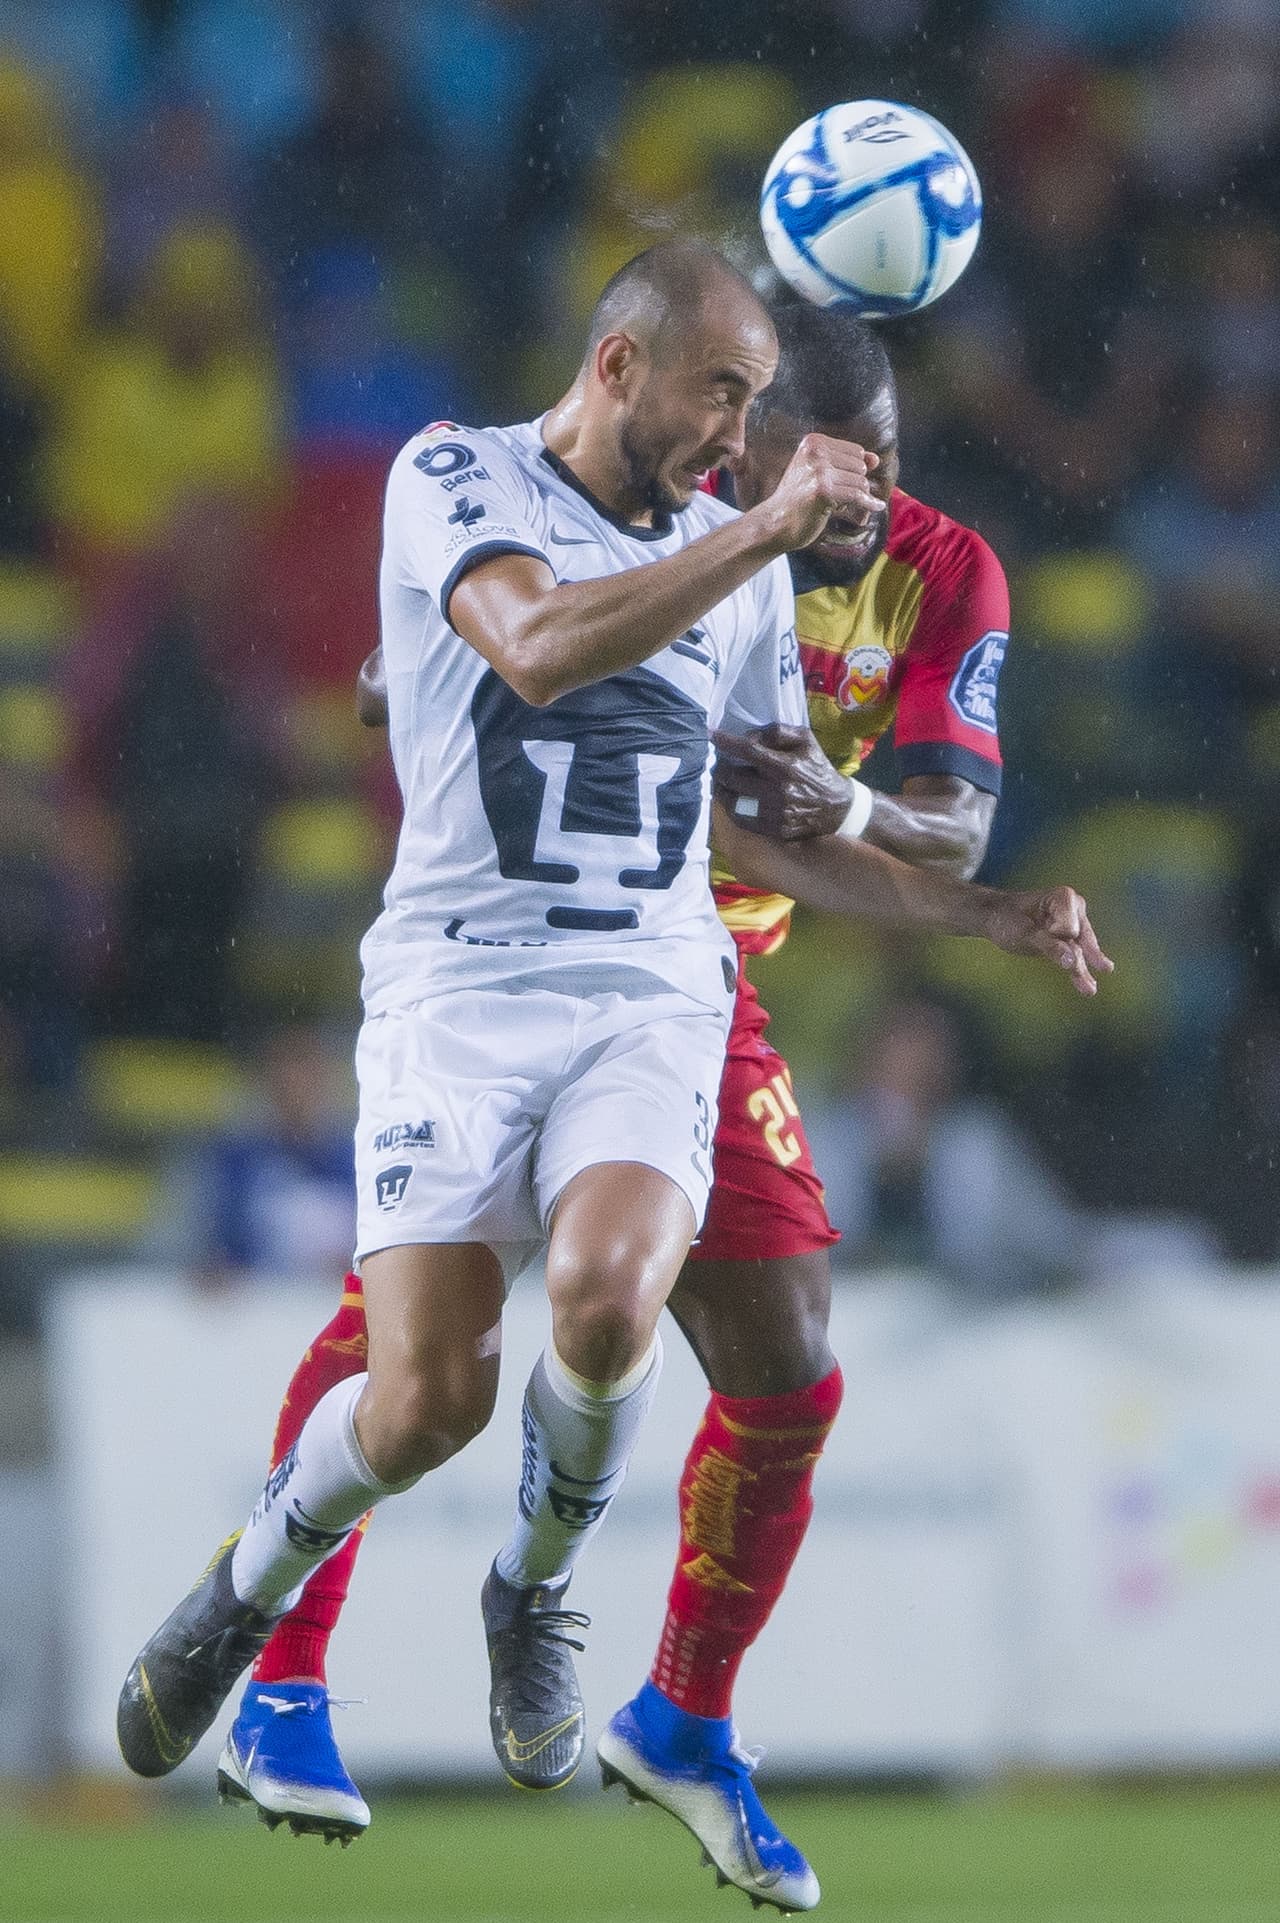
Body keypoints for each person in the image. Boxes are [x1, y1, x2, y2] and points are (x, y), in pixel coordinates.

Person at [117, 251, 1107, 1914]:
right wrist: (750, 539)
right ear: (625, 365)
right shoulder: (456, 472)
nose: (741, 444)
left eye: (755, 416)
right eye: (725, 404)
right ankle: (258, 1614)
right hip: (454, 983)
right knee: (427, 1391)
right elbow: (535, 648)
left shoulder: (779, 565)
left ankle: (550, 1603)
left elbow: (770, 817)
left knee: (619, 1300)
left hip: (658, 985)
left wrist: (991, 912)